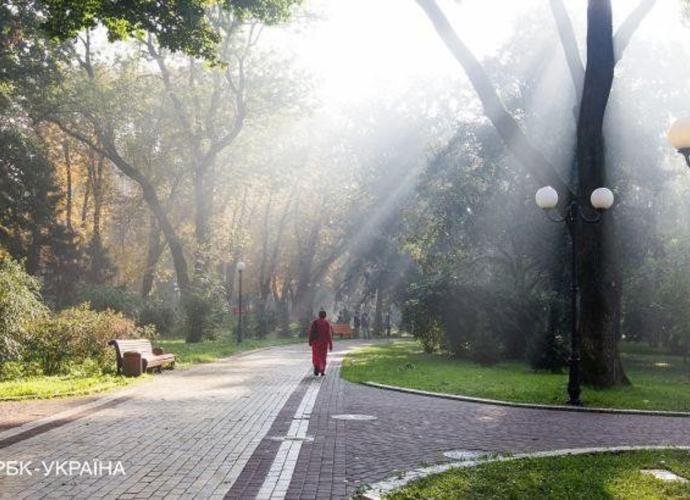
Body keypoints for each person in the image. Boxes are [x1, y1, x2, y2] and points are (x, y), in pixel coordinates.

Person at [309, 310, 333, 376]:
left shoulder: (315, 322)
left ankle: (316, 366)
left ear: (319, 315)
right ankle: (322, 370)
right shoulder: (326, 323)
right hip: (324, 343)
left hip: (316, 343)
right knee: (323, 357)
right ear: (325, 316)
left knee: (316, 356)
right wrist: (330, 344)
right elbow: (329, 334)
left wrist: (310, 341)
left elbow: (311, 332)